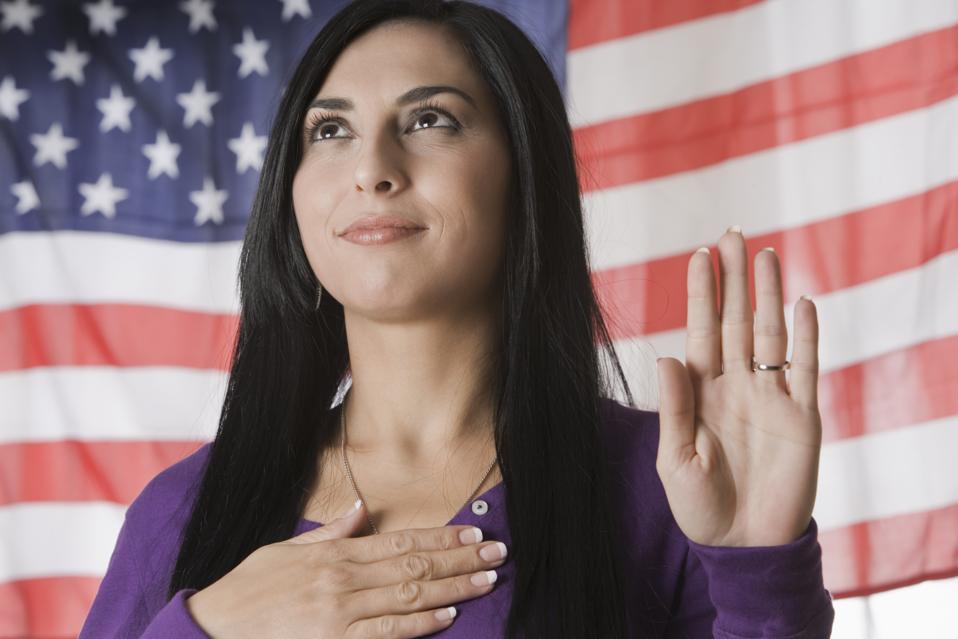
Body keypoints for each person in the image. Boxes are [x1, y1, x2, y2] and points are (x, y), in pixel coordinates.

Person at [78, 0, 836, 637]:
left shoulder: (670, 485)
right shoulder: (180, 514)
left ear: (523, 175)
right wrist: (210, 626)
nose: (372, 168)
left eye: (431, 119)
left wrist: (759, 566)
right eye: (330, 130)